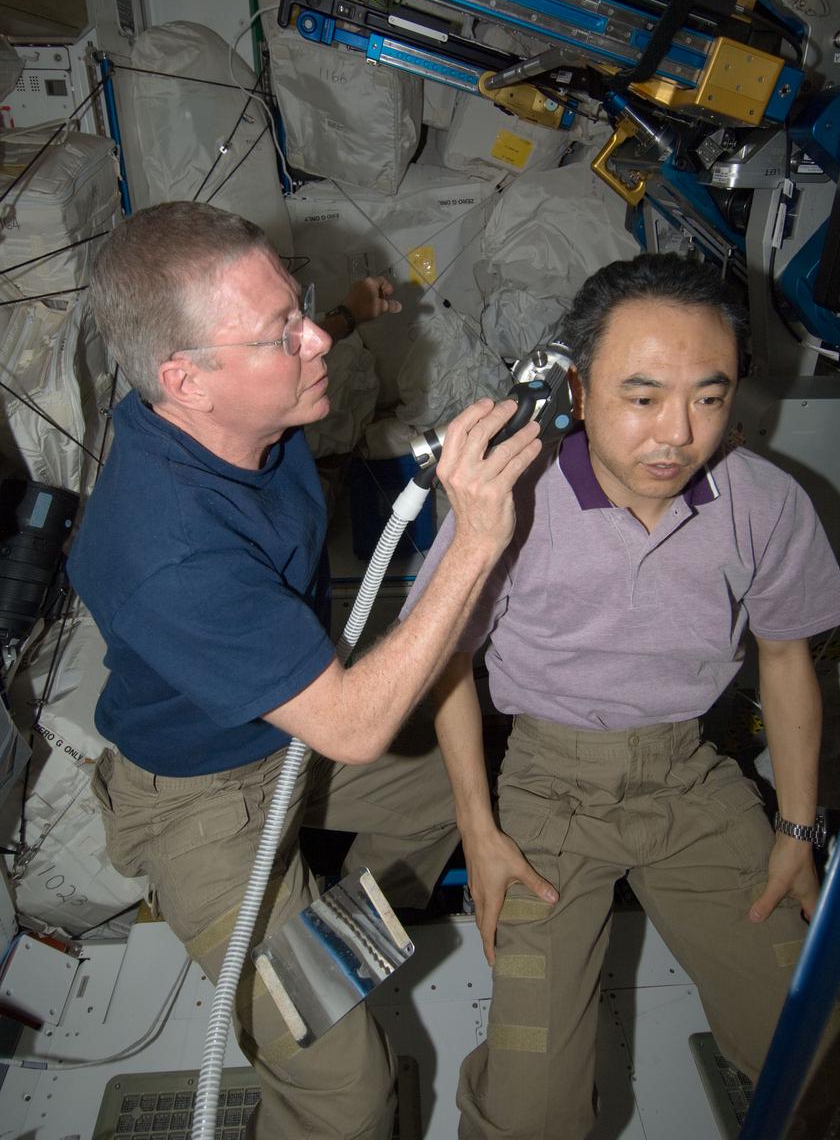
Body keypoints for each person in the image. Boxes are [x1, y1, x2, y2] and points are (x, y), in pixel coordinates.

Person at [67, 200, 542, 1140]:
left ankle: (326, 952)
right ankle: (319, 1041)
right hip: (204, 802)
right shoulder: (171, 552)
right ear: (187, 380)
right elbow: (356, 728)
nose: (315, 338)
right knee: (347, 1091)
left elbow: (290, 336)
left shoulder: (225, 409)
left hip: (287, 732)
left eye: (304, 307)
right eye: (282, 333)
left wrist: (357, 308)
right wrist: (475, 539)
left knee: (454, 796)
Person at [403, 252, 840, 1140]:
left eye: (710, 398)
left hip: (690, 780)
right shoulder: (508, 504)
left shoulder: (764, 502)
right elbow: (444, 662)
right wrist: (480, 833)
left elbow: (786, 656)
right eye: (641, 397)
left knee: (820, 1055)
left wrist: (797, 831)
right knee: (534, 1118)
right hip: (547, 789)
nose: (676, 434)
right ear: (576, 389)